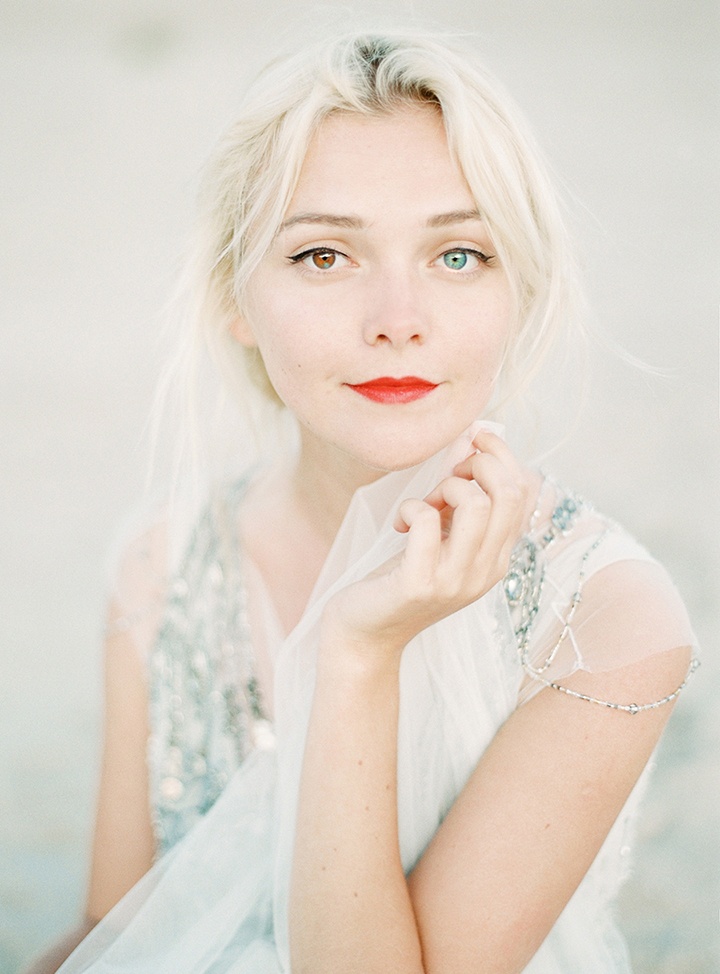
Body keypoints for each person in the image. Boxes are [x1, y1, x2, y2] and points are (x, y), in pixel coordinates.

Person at [27, 29, 697, 974]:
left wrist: (355, 655)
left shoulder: (610, 619)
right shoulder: (164, 567)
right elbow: (117, 930)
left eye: (458, 254)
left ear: (519, 290)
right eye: (323, 257)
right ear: (235, 297)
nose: (397, 320)